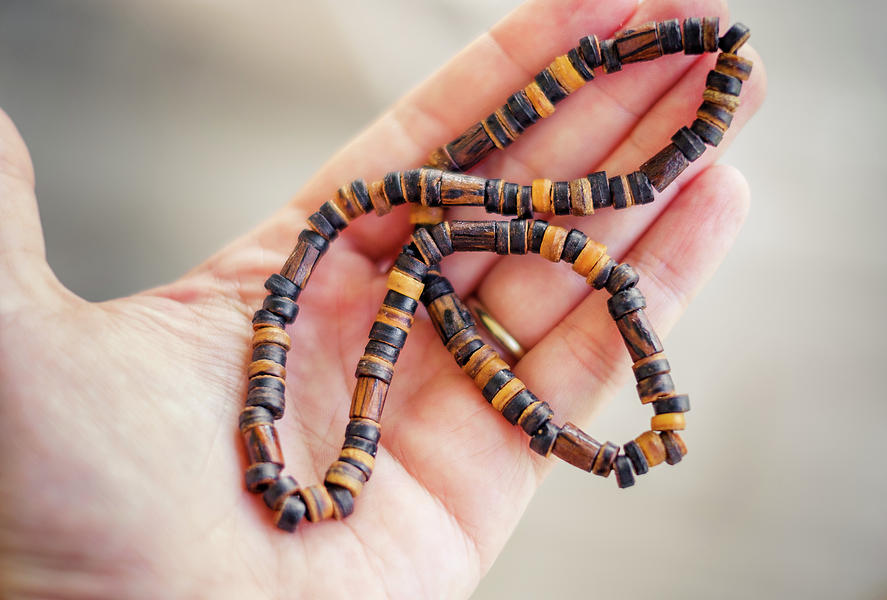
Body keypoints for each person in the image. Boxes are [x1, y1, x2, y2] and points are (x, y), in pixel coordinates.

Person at [0, 0, 765, 596]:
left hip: (414, 271)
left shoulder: (424, 242)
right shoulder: (423, 244)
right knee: (607, 240)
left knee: (611, 232)